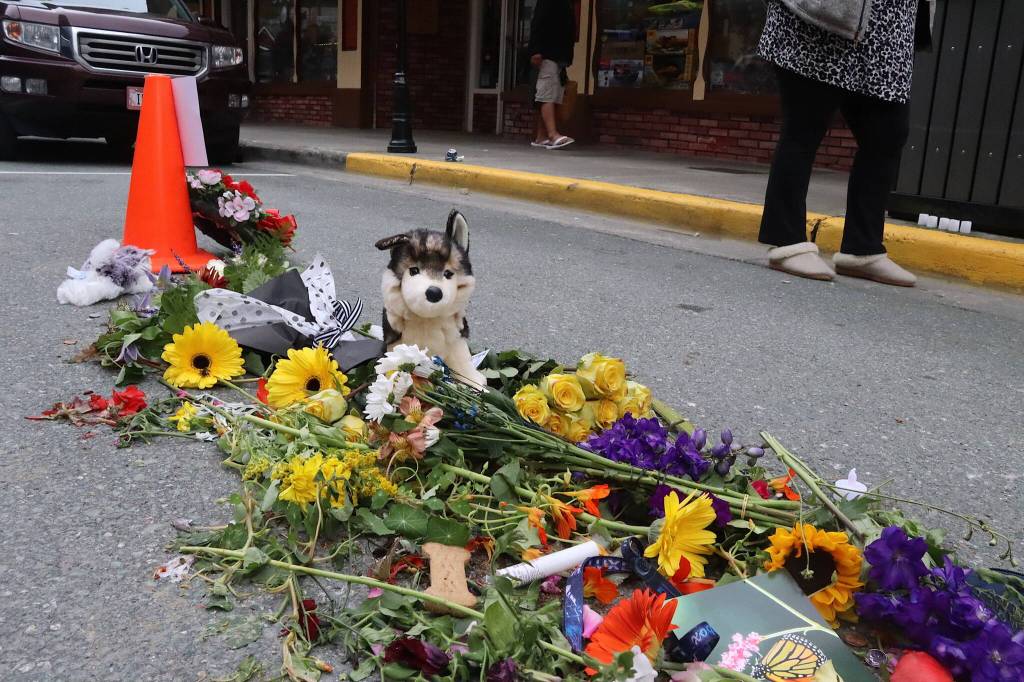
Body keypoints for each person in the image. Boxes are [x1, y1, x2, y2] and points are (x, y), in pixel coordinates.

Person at [757, 0, 934, 287]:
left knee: (888, 134)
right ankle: (786, 240)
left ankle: (862, 248)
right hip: (822, 20)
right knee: (804, 126)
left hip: (889, 32)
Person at [527, 0, 576, 149]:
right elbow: (537, 22)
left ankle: (541, 136)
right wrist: (535, 50)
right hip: (548, 53)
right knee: (547, 95)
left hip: (559, 56)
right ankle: (553, 134)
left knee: (553, 95)